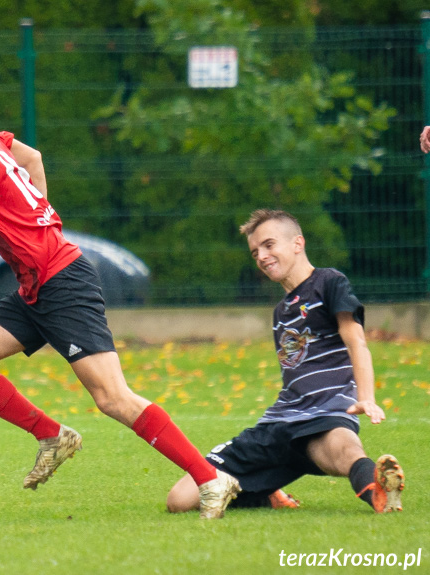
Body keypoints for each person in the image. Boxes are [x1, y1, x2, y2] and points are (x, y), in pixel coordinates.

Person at [0, 62, 240, 518]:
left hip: (63, 283)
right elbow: (32, 159)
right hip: (35, 286)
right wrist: (40, 215)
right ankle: (52, 435)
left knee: (113, 398)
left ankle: (211, 480)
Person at [166, 209, 405, 515]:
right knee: (179, 500)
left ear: (297, 243)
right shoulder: (281, 312)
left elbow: (356, 342)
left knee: (347, 451)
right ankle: (267, 492)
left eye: (268, 245)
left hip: (326, 418)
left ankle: (381, 494)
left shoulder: (329, 282)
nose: (262, 257)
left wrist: (366, 398)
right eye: (255, 252)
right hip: (278, 424)